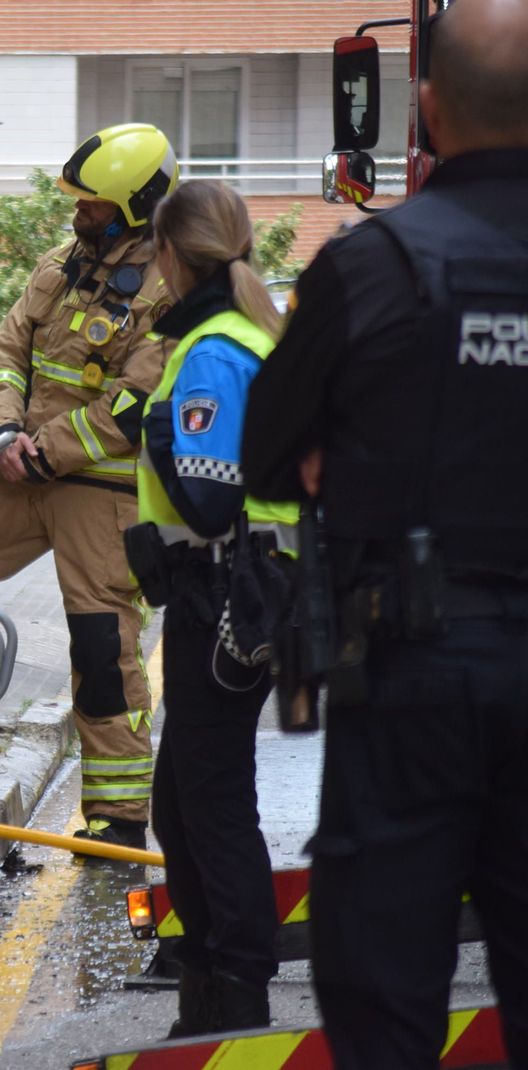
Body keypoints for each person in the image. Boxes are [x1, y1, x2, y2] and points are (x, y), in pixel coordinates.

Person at [242, 0, 528, 1064]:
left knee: (382, 985)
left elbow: (264, 454)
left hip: (410, 670)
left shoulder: (371, 266)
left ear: (427, 107)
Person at [0, 124, 179, 849]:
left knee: (102, 651)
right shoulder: (62, 264)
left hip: (100, 492)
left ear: (135, 206)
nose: (77, 213)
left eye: (91, 204)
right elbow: (8, 349)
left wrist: (44, 450)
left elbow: (134, 401)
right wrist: (3, 428)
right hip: (15, 471)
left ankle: (117, 821)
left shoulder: (171, 288)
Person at [128, 181, 296, 1036]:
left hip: (224, 598)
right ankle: (214, 977)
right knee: (185, 799)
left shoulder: (213, 352)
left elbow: (206, 502)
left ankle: (233, 986)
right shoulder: (237, 335)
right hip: (234, 593)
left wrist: (152, 431)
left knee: (209, 801)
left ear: (170, 256)